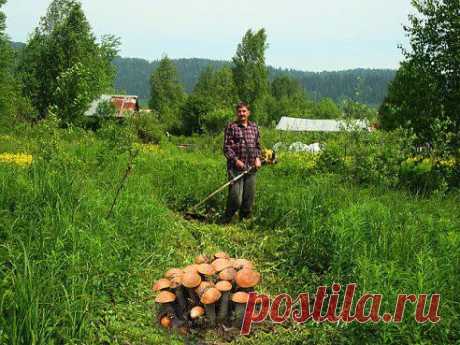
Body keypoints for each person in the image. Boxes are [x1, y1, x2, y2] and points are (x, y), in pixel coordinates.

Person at [221, 102, 262, 224]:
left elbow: (258, 146)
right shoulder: (231, 127)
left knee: (248, 198)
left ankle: (244, 222)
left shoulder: (254, 127)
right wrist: (235, 160)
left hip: (251, 167)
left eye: (244, 111)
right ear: (236, 113)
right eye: (239, 111)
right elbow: (226, 147)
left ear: (248, 113)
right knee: (236, 198)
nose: (242, 114)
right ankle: (227, 219)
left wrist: (258, 158)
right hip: (236, 168)